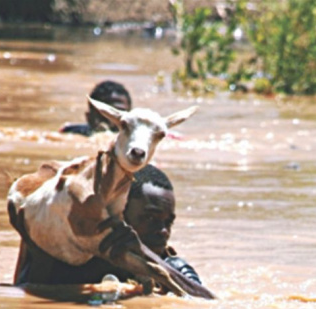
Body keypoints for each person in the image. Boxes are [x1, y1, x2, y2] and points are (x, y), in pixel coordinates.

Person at [14, 164, 203, 289]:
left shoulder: (173, 267)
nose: (163, 231)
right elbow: (25, 293)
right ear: (119, 213)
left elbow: (206, 302)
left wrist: (148, 258)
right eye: (150, 218)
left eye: (168, 222)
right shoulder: (70, 252)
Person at [60, 80, 133, 136]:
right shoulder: (70, 134)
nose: (112, 122)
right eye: (104, 116)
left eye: (118, 115)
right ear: (89, 117)